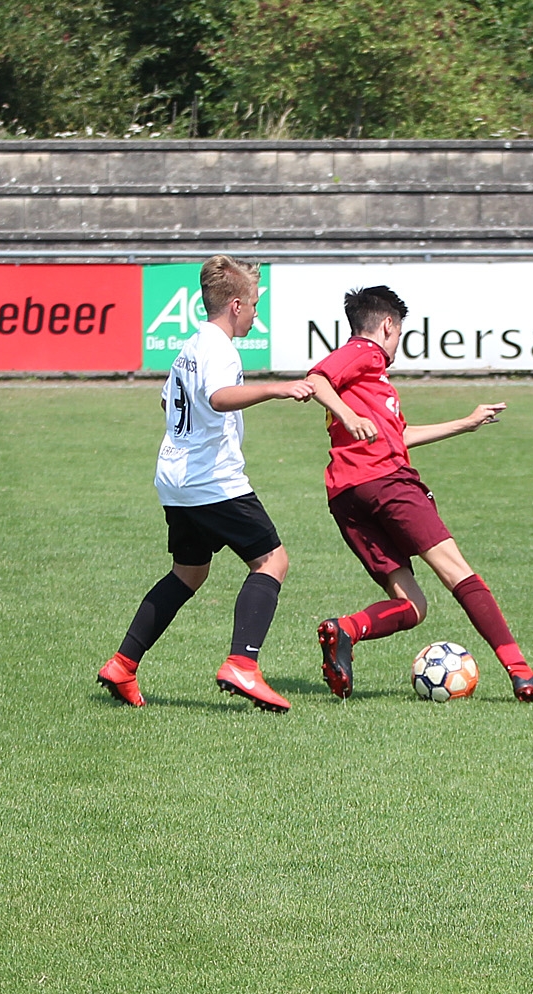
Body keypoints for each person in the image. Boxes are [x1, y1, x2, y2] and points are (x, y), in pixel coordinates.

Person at [306, 286, 533, 704]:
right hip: (386, 482)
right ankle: (522, 674)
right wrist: (350, 417)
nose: (396, 343)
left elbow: (399, 435)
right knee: (457, 571)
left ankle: (346, 630)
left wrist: (465, 423)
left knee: (413, 605)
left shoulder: (370, 381)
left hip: (347, 495)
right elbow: (316, 379)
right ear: (388, 325)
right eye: (399, 333)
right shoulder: (365, 353)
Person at [96, 256, 316, 712]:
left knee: (189, 573)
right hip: (212, 480)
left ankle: (122, 664)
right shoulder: (220, 349)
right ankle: (242, 664)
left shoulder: (191, 345)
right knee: (272, 560)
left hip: (175, 478)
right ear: (235, 305)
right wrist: (276, 388)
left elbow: (168, 403)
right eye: (253, 305)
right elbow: (217, 398)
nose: (256, 314)